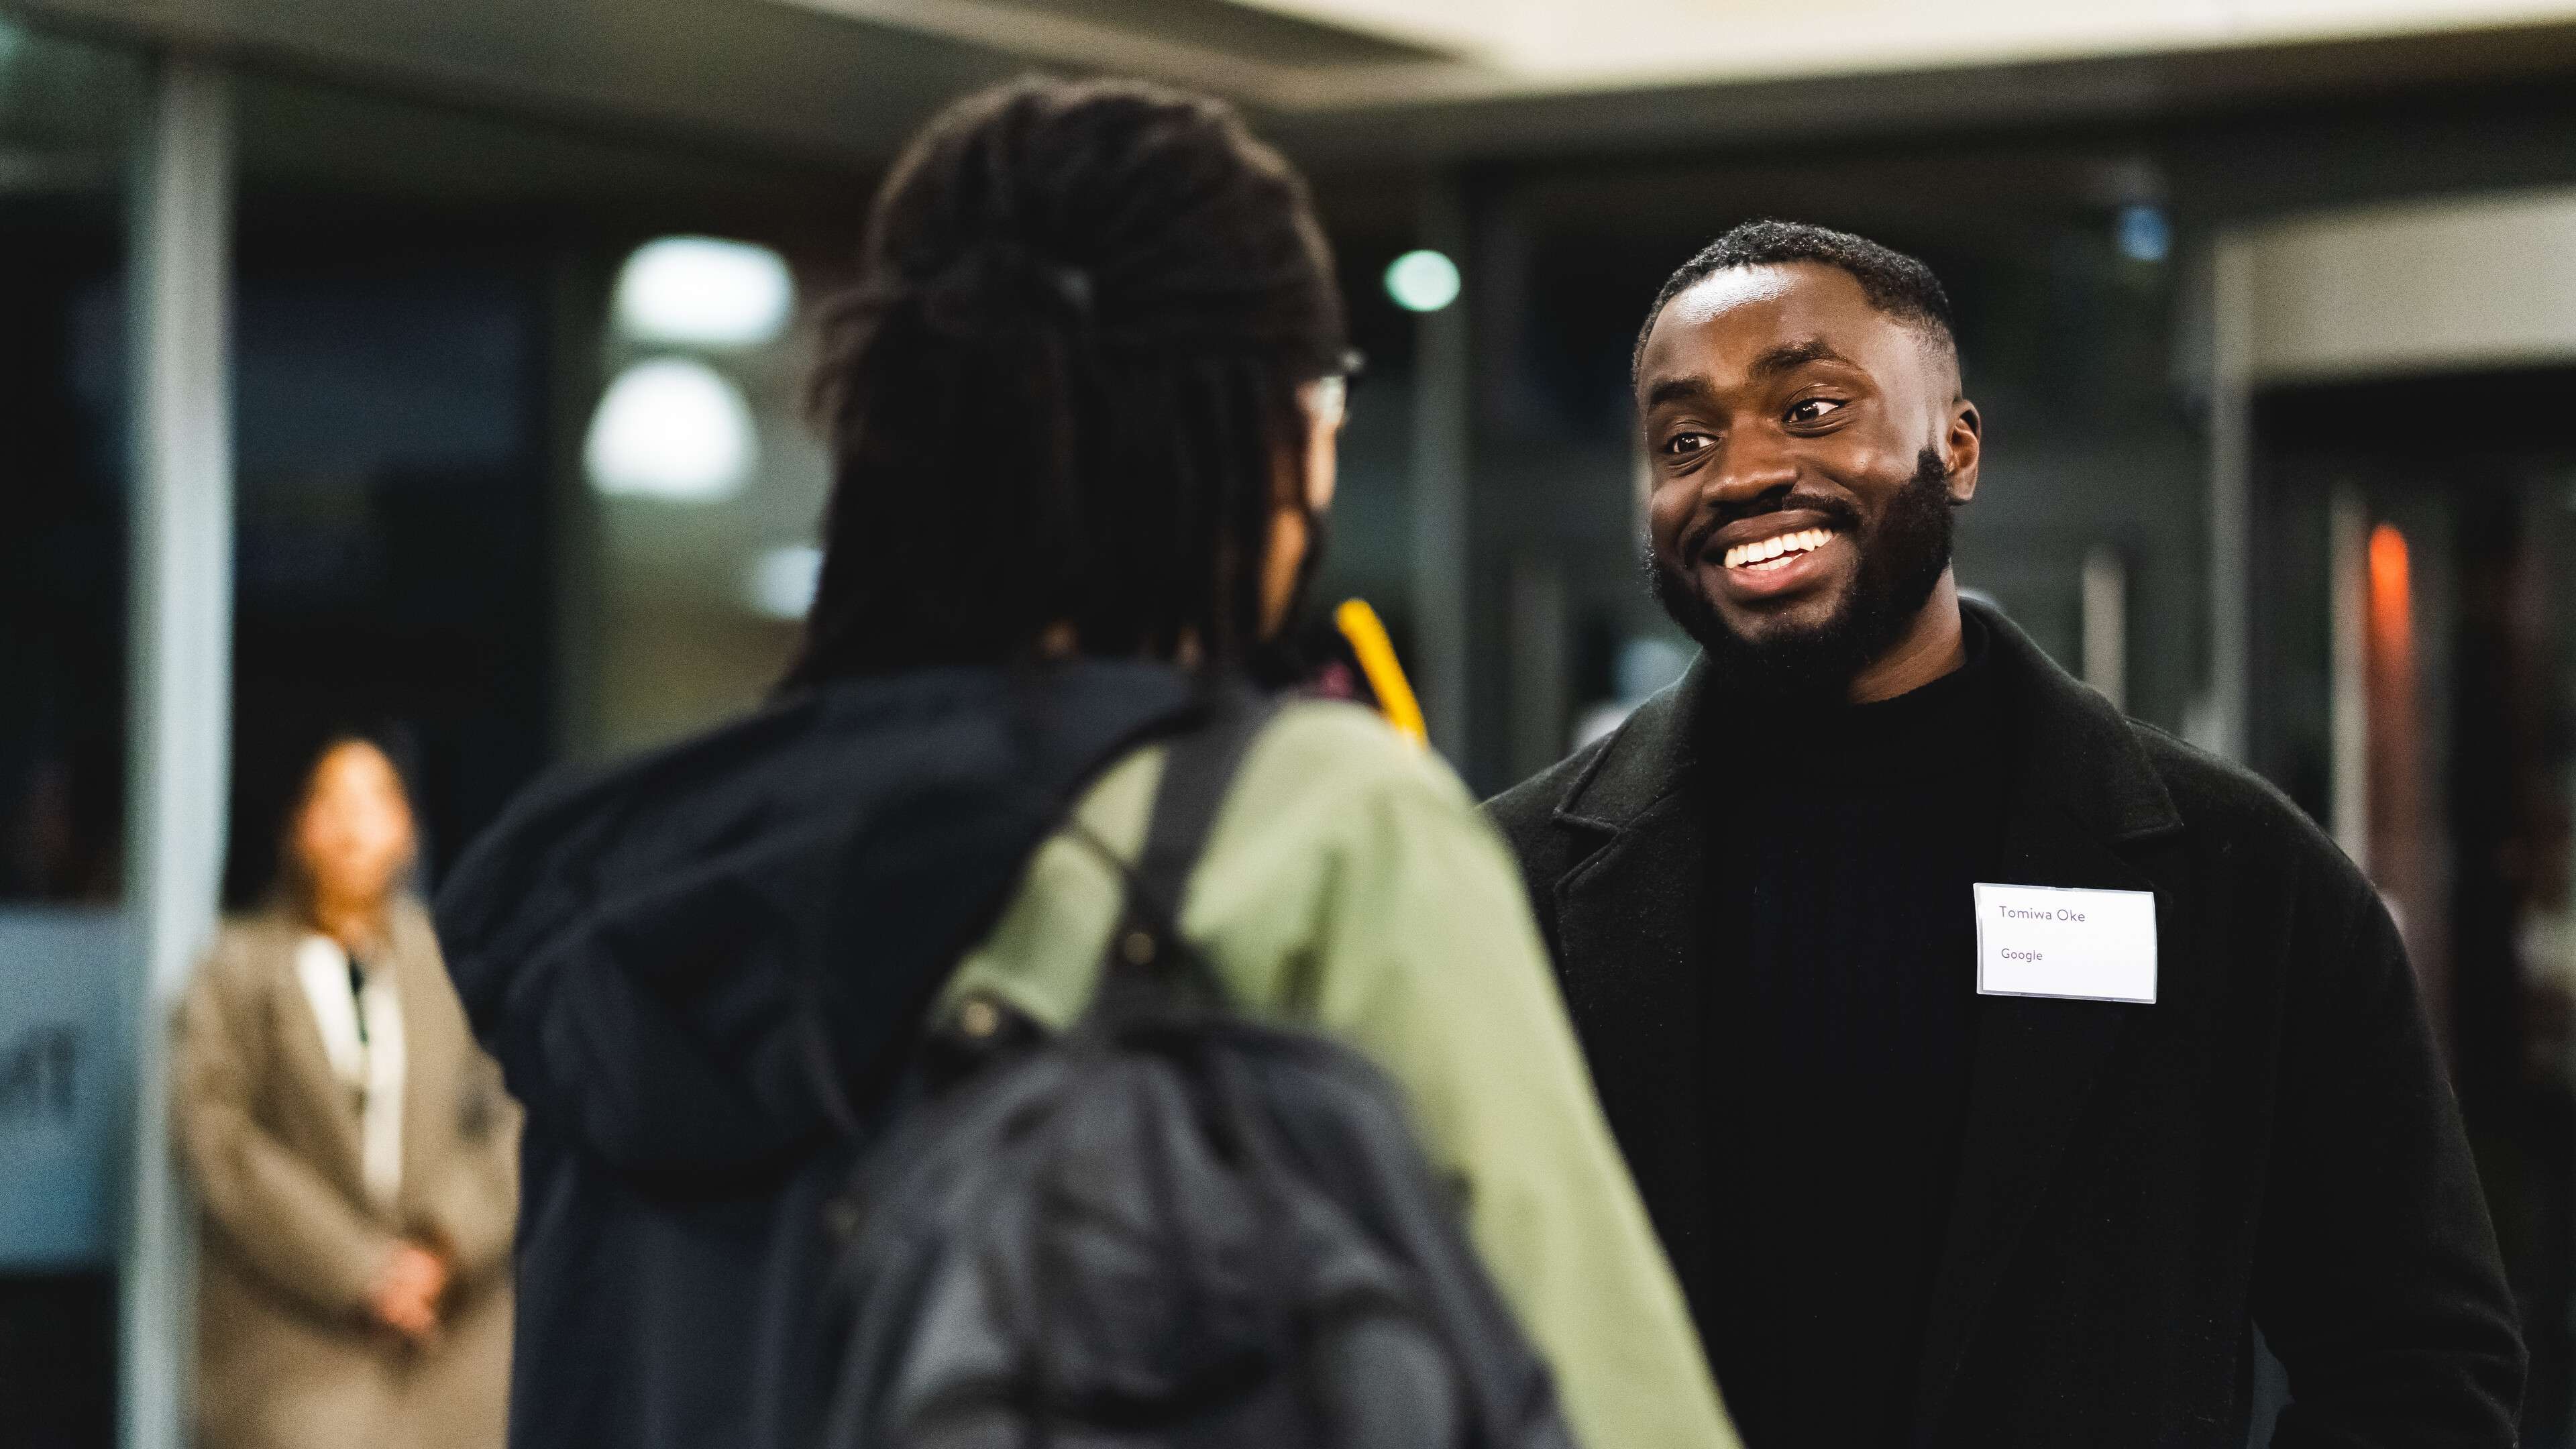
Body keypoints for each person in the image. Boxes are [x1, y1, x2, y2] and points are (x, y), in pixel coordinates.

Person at [434, 76, 1735, 1449]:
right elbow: (1599, 1400)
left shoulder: (658, 881)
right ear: (1249, 434)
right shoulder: (1314, 828)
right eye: (1322, 397)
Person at [1487, 219, 2531, 1448]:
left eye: (1814, 410)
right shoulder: (1511, 887)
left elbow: (2417, 1362)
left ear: (1956, 446)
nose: (1741, 472)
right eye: (1685, 438)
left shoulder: (2239, 874)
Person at [172, 735, 519, 1449]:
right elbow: (218, 1139)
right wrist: (360, 1269)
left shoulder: (457, 965)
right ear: (300, 827)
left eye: (375, 800)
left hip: (453, 1349)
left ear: (408, 831)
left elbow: (512, 1115)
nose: (355, 824)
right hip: (297, 1345)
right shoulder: (237, 970)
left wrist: (441, 1243)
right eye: (333, 801)